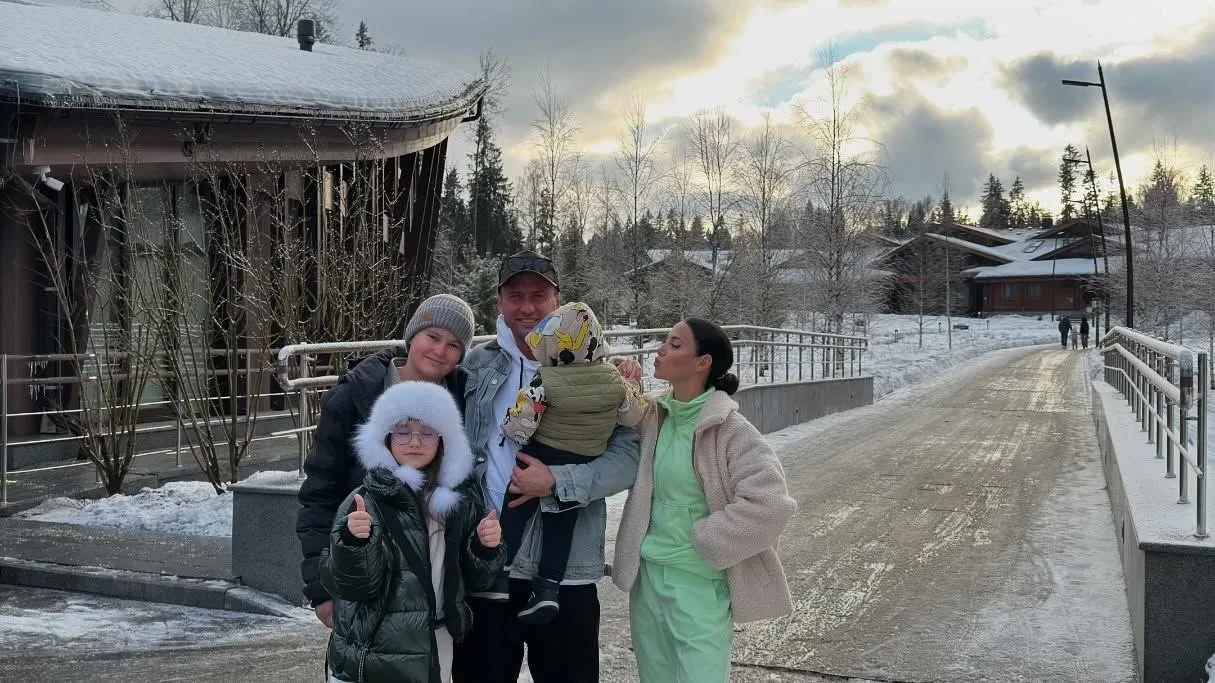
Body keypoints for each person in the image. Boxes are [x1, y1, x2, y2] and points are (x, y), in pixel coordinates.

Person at [452, 250, 642, 683]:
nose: (527, 307)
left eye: (539, 295)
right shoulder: (475, 366)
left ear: (557, 300)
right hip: (488, 564)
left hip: (566, 571)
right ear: (499, 302)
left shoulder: (601, 373)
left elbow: (628, 459)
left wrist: (558, 480)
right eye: (515, 296)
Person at [613, 318, 797, 683]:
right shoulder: (654, 415)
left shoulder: (732, 431)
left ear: (703, 362)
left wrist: (705, 540)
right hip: (647, 581)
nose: (660, 350)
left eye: (674, 345)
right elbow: (615, 414)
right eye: (664, 341)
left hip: (699, 583)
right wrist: (621, 377)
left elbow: (772, 505)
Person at [298, 294, 475, 629]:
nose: (440, 351)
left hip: (436, 602)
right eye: (433, 336)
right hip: (367, 593)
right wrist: (321, 587)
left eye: (454, 345)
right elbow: (320, 493)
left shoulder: (464, 399)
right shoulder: (355, 395)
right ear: (412, 336)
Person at [321, 381, 504, 683]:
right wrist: (355, 543)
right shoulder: (366, 501)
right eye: (403, 431)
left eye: (428, 433)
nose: (415, 442)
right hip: (376, 652)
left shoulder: (458, 503)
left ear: (445, 440)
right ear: (386, 437)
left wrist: (485, 548)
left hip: (437, 640)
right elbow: (351, 586)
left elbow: (475, 580)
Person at [498, 301, 647, 624]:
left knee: (514, 509)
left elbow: (522, 424)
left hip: (542, 454)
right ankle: (547, 588)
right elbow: (633, 415)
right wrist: (633, 386)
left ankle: (501, 570)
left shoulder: (546, 381)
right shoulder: (615, 381)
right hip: (583, 460)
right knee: (561, 528)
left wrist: (510, 430)